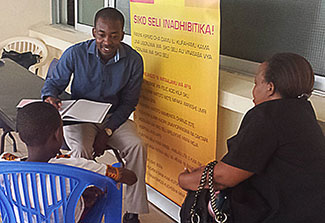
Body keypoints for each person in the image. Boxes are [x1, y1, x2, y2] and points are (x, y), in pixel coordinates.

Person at [178, 53, 325, 222]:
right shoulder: (302, 111)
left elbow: (224, 177)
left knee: (197, 203)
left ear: (270, 88)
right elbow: (240, 164)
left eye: (256, 83)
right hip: (308, 210)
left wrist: (184, 180)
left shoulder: (268, 116)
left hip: (283, 213)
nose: (253, 91)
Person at [41, 7, 148, 222]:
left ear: (122, 34)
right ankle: (81, 204)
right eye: (102, 34)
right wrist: (49, 97)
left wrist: (107, 131)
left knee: (137, 145)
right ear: (93, 32)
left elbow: (129, 103)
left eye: (114, 35)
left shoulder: (134, 61)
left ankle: (133, 212)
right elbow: (54, 83)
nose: (107, 41)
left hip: (112, 118)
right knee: (80, 148)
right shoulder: (76, 53)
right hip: (81, 118)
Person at [0, 102, 137, 222]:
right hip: (69, 217)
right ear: (58, 134)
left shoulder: (5, 165)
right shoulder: (76, 165)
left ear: (22, 137)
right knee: (99, 191)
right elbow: (131, 178)